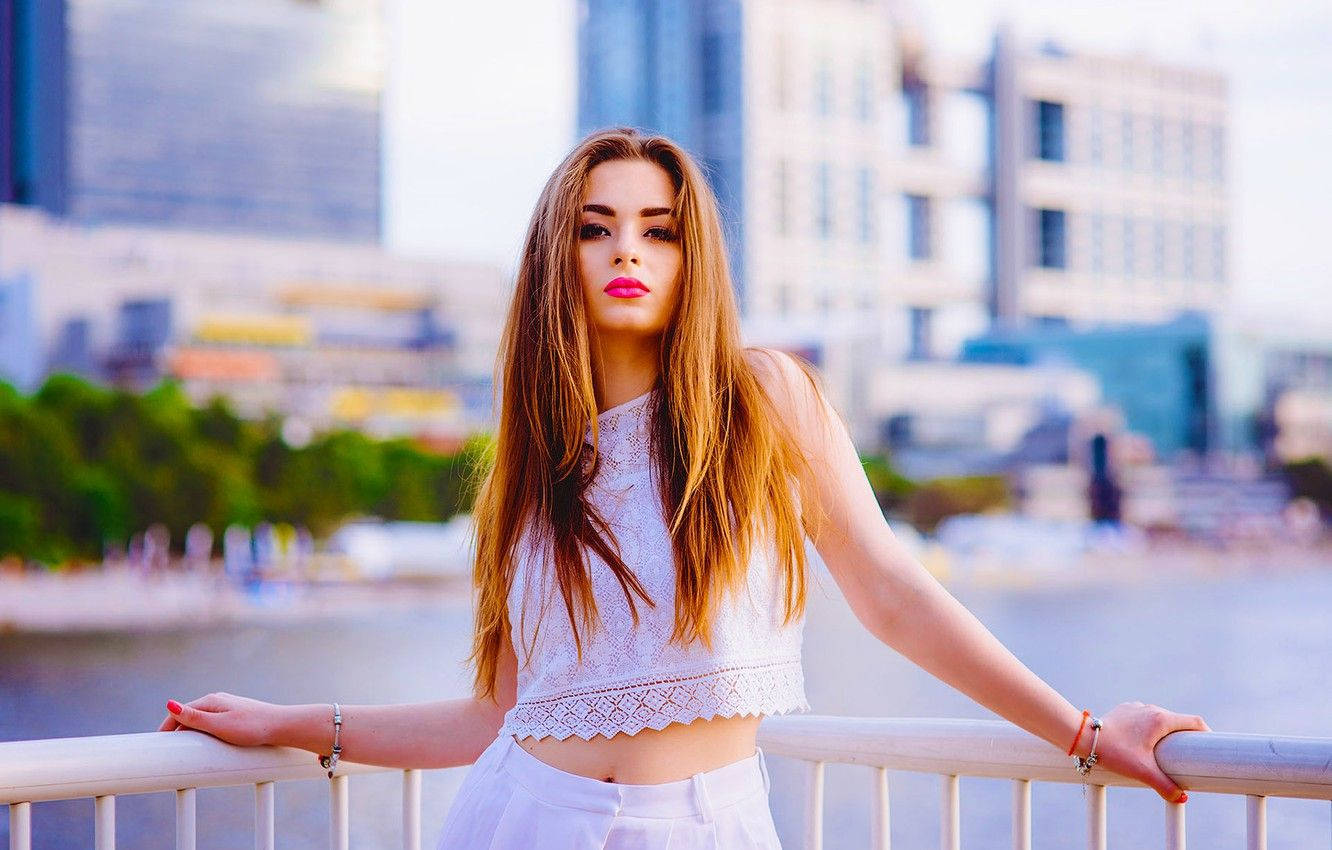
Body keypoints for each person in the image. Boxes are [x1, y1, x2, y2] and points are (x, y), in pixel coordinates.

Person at [158, 127, 1210, 848]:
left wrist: (1082, 733)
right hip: (523, 817)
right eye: (597, 224)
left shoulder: (763, 399)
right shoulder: (532, 472)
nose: (628, 249)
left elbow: (892, 592)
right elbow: (497, 718)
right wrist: (290, 721)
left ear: (689, 252)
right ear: (558, 253)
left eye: (658, 228)